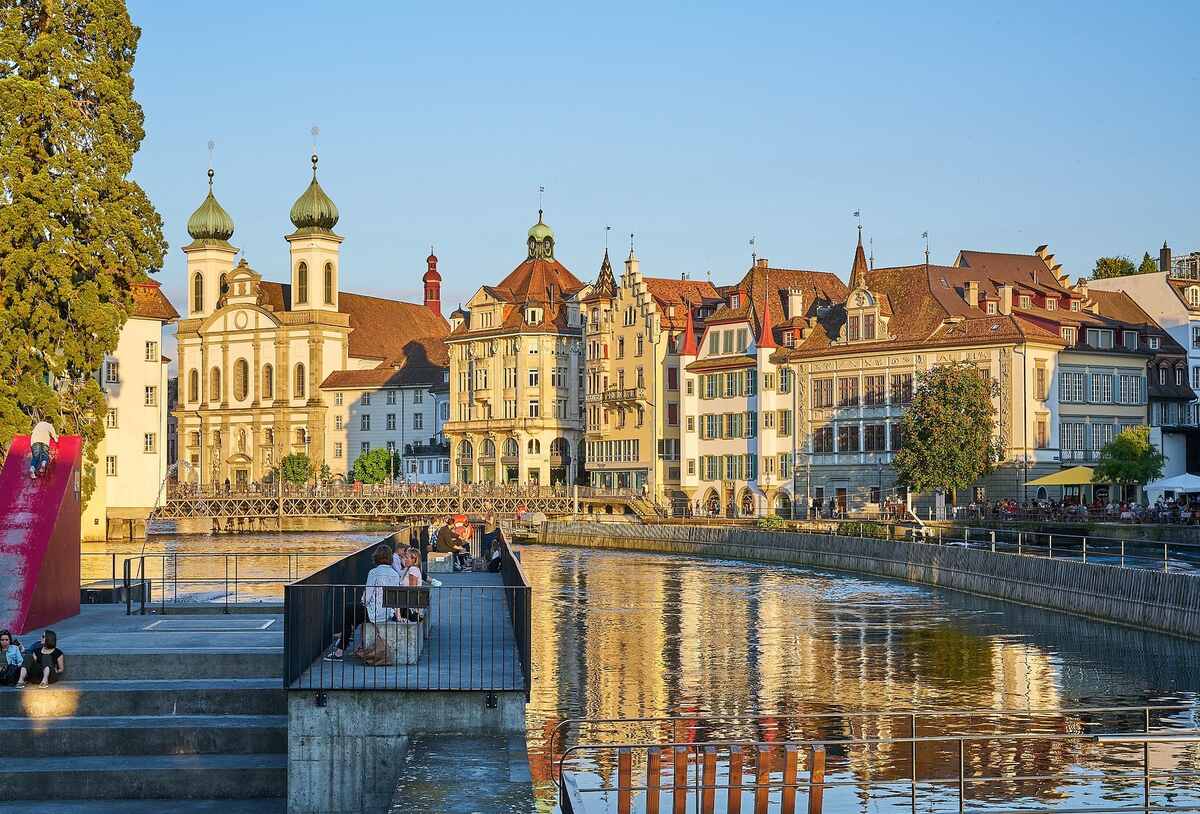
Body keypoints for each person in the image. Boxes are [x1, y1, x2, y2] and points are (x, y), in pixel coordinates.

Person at [325, 545, 400, 661]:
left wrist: (362, 602)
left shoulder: (374, 572)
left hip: (374, 613)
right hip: (387, 613)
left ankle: (340, 649)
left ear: (377, 557)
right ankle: (350, 641)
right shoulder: (395, 574)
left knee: (348, 610)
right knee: (354, 615)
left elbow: (367, 597)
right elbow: (396, 598)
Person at [395, 547, 424, 622]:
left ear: (414, 559)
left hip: (407, 606)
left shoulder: (412, 570)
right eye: (405, 557)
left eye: (407, 558)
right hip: (405, 603)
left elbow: (412, 590)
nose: (405, 559)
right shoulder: (408, 569)